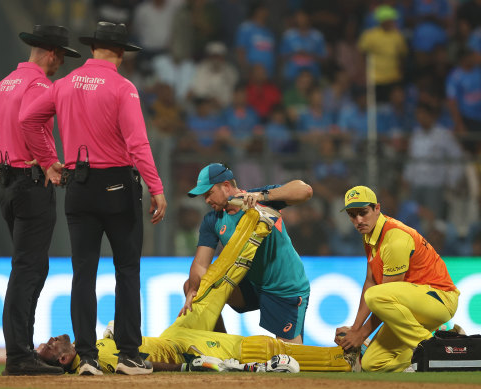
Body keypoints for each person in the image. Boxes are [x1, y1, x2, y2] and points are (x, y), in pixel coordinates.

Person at [37, 203, 353, 373]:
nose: (51, 339)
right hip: (181, 349)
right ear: (64, 360)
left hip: (175, 333)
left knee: (210, 285)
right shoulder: (95, 364)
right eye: (48, 347)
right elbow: (147, 363)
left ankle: (257, 227)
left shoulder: (91, 351)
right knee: (265, 349)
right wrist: (187, 364)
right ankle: (342, 359)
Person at [19, 21, 167, 376]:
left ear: (93, 48)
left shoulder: (64, 84)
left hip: (78, 186)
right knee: (126, 270)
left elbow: (27, 119)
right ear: (121, 52)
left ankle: (86, 357)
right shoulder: (123, 87)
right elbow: (137, 143)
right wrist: (156, 187)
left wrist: (49, 160)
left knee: (83, 272)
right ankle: (129, 355)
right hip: (117, 187)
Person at [0, 25, 80, 376]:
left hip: (8, 184)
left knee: (32, 266)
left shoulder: (5, 83)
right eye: (61, 56)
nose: (60, 63)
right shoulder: (42, 85)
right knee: (28, 269)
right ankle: (18, 356)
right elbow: (29, 123)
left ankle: (23, 350)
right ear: (51, 53)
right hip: (31, 186)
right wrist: (49, 163)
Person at [181, 163, 312, 344]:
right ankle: (220, 349)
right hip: (249, 285)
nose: (206, 201)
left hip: (283, 287)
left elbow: (305, 191)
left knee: (290, 358)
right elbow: (201, 264)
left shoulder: (261, 199)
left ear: (226, 186)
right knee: (193, 286)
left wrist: (262, 195)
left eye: (208, 193)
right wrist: (193, 291)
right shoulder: (212, 220)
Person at [336, 186, 460, 372]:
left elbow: (382, 296)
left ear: (377, 208)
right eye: (352, 215)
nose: (358, 220)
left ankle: (431, 347)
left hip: (439, 299)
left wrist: (361, 335)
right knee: (372, 364)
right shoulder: (370, 234)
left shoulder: (395, 239)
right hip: (413, 306)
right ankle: (446, 343)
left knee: (375, 295)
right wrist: (355, 329)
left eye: (363, 212)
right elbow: (370, 280)